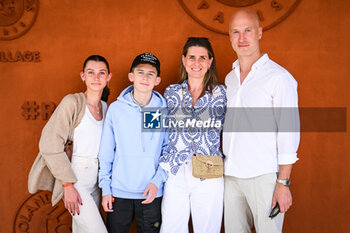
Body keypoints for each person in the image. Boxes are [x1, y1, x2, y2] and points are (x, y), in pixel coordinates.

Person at [223, 9, 300, 233]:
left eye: (248, 30)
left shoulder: (279, 78)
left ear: (259, 32)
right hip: (231, 176)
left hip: (264, 177)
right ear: (230, 37)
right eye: (236, 32)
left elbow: (289, 132)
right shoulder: (230, 78)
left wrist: (283, 183)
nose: (242, 38)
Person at [28, 55, 112, 233]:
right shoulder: (72, 103)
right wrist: (68, 185)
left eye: (101, 73)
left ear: (108, 77)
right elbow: (49, 144)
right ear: (83, 76)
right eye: (91, 72)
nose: (96, 77)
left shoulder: (105, 108)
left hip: (95, 181)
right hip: (76, 177)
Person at [159, 37, 226, 233]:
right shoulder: (171, 92)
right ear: (184, 60)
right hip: (175, 171)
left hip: (209, 172)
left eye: (202, 58)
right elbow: (159, 130)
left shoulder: (222, 93)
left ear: (210, 61)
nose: (197, 63)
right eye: (192, 57)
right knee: (171, 229)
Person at [98, 52, 168, 233]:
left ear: (157, 80)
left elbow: (167, 150)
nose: (145, 77)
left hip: (151, 192)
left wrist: (157, 182)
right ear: (131, 76)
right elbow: (106, 152)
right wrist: (106, 188)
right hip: (118, 193)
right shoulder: (116, 109)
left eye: (150, 73)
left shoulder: (162, 111)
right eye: (140, 72)